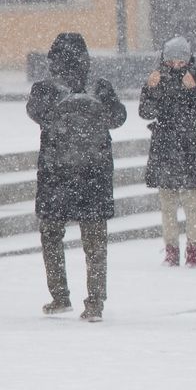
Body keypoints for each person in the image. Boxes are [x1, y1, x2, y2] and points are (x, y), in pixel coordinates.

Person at [26, 33, 127, 321]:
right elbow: (118, 118)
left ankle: (60, 296)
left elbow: (36, 114)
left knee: (51, 235)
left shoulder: (44, 90)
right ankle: (95, 302)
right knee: (95, 242)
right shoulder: (100, 87)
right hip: (93, 174)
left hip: (56, 173)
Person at [139, 36, 196, 268]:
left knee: (191, 203)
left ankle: (193, 251)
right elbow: (146, 112)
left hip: (190, 147)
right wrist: (150, 90)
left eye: (181, 61)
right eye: (172, 61)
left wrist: (195, 90)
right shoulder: (157, 78)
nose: (177, 65)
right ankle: (171, 251)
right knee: (168, 203)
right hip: (165, 147)